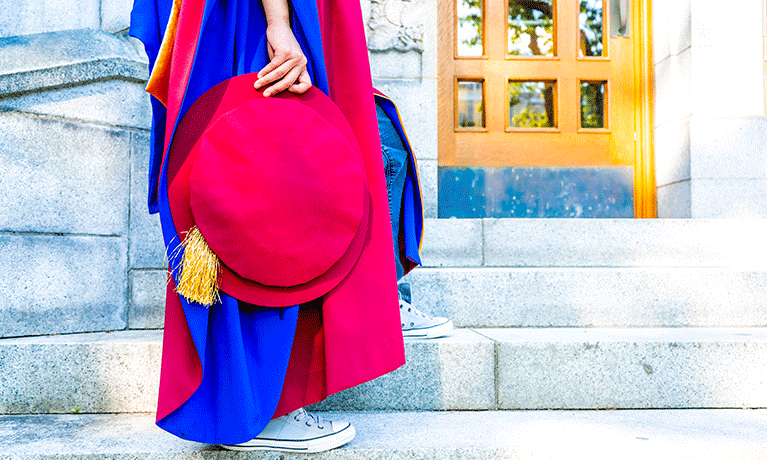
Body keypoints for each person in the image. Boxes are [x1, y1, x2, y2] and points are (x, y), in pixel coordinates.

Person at [130, 0, 408, 453]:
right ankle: (260, 409)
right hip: (248, 14)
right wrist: (278, 19)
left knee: (237, 171)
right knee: (260, 181)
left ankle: (243, 402)